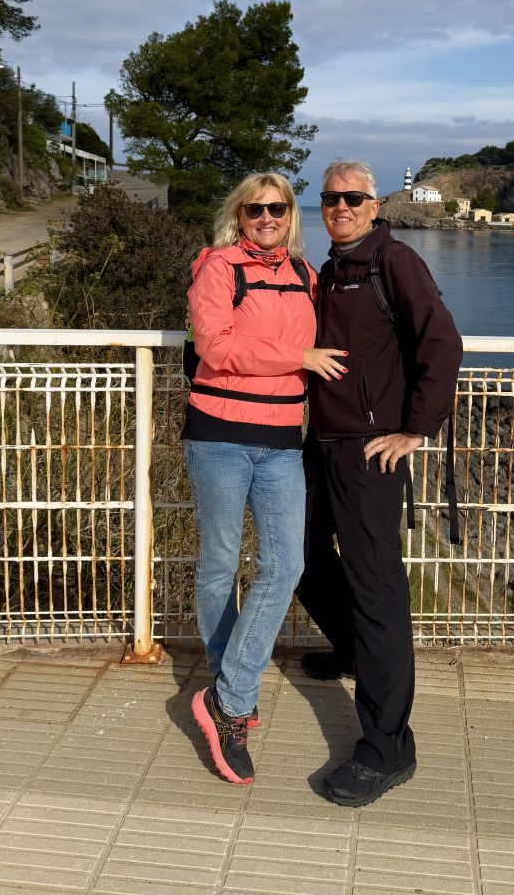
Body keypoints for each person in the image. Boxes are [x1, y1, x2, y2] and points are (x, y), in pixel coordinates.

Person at [297, 159, 463, 807]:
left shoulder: (394, 263)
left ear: (372, 204)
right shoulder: (333, 271)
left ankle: (387, 746)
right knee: (300, 559)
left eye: (352, 198)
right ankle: (349, 649)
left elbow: (441, 343)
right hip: (321, 443)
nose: (339, 206)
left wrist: (415, 430)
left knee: (377, 591)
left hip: (370, 455)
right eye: (330, 198)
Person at [183, 172, 346, 786]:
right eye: (256, 208)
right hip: (218, 435)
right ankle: (233, 699)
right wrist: (296, 359)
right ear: (239, 213)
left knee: (286, 563)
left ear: (290, 214)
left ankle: (226, 694)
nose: (268, 217)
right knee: (221, 562)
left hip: (282, 441)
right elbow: (214, 347)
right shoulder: (218, 267)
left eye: (278, 208)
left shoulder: (307, 275)